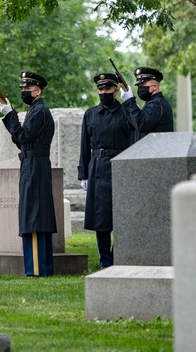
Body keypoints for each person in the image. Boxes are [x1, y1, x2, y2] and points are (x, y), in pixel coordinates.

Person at [0, 70, 58, 277]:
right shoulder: (36, 110)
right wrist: (11, 117)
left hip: (34, 164)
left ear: (38, 91)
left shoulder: (39, 111)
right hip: (33, 162)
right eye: (22, 88)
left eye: (27, 88)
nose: (24, 91)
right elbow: (21, 139)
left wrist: (9, 116)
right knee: (35, 212)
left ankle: (36, 268)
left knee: (34, 214)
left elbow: (22, 136)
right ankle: (42, 267)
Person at [78, 72, 133, 268]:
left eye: (107, 89)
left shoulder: (127, 112)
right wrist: (82, 174)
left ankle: (118, 255)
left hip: (119, 167)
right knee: (101, 219)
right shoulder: (90, 114)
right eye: (100, 89)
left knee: (121, 217)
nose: (103, 92)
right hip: (98, 169)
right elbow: (84, 146)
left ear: (116, 91)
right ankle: (105, 260)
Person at [120, 66, 173, 142]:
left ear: (155, 87)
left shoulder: (156, 104)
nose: (140, 88)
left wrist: (129, 101)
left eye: (143, 85)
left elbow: (141, 124)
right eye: (139, 86)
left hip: (156, 151)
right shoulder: (154, 102)